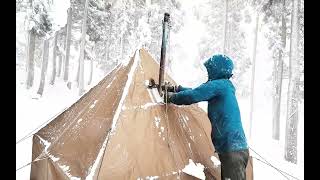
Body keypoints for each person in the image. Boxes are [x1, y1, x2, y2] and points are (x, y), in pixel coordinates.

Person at [163, 54, 249, 180]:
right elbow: (199, 91)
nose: (209, 73)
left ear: (217, 70)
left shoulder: (219, 85)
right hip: (235, 149)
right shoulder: (224, 86)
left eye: (210, 70)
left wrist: (170, 97)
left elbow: (194, 95)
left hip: (232, 150)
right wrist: (178, 89)